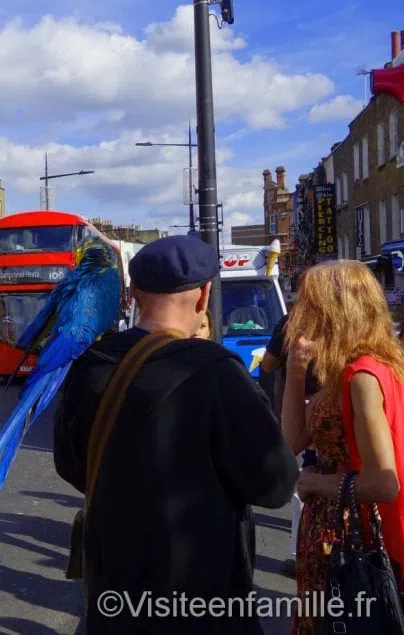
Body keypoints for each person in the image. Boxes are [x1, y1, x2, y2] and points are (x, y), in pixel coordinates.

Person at [55, 235, 298, 634]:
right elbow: (275, 485)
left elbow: (69, 464)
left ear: (133, 293)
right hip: (205, 605)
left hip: (114, 599)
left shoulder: (90, 365)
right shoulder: (219, 373)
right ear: (203, 297)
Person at [283, 261, 404, 635]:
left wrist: (316, 484)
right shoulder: (361, 366)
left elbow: (385, 484)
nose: (301, 315)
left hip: (352, 533)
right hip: (341, 527)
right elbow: (293, 440)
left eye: (311, 306)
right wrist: (295, 373)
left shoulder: (361, 375)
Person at [259, 312, 322, 578]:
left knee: (302, 485)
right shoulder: (354, 321)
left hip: (304, 406)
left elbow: (268, 365)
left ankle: (300, 554)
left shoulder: (292, 321)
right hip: (338, 404)